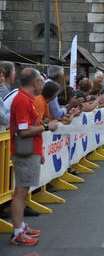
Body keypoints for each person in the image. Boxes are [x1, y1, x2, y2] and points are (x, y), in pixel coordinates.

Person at [9, 68, 58, 246]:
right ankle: (17, 232)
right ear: (35, 83)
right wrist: (46, 127)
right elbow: (24, 131)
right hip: (25, 152)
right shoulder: (23, 100)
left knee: (22, 192)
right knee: (21, 193)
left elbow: (28, 128)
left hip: (30, 151)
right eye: (42, 82)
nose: (43, 86)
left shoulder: (26, 99)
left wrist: (39, 151)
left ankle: (20, 227)